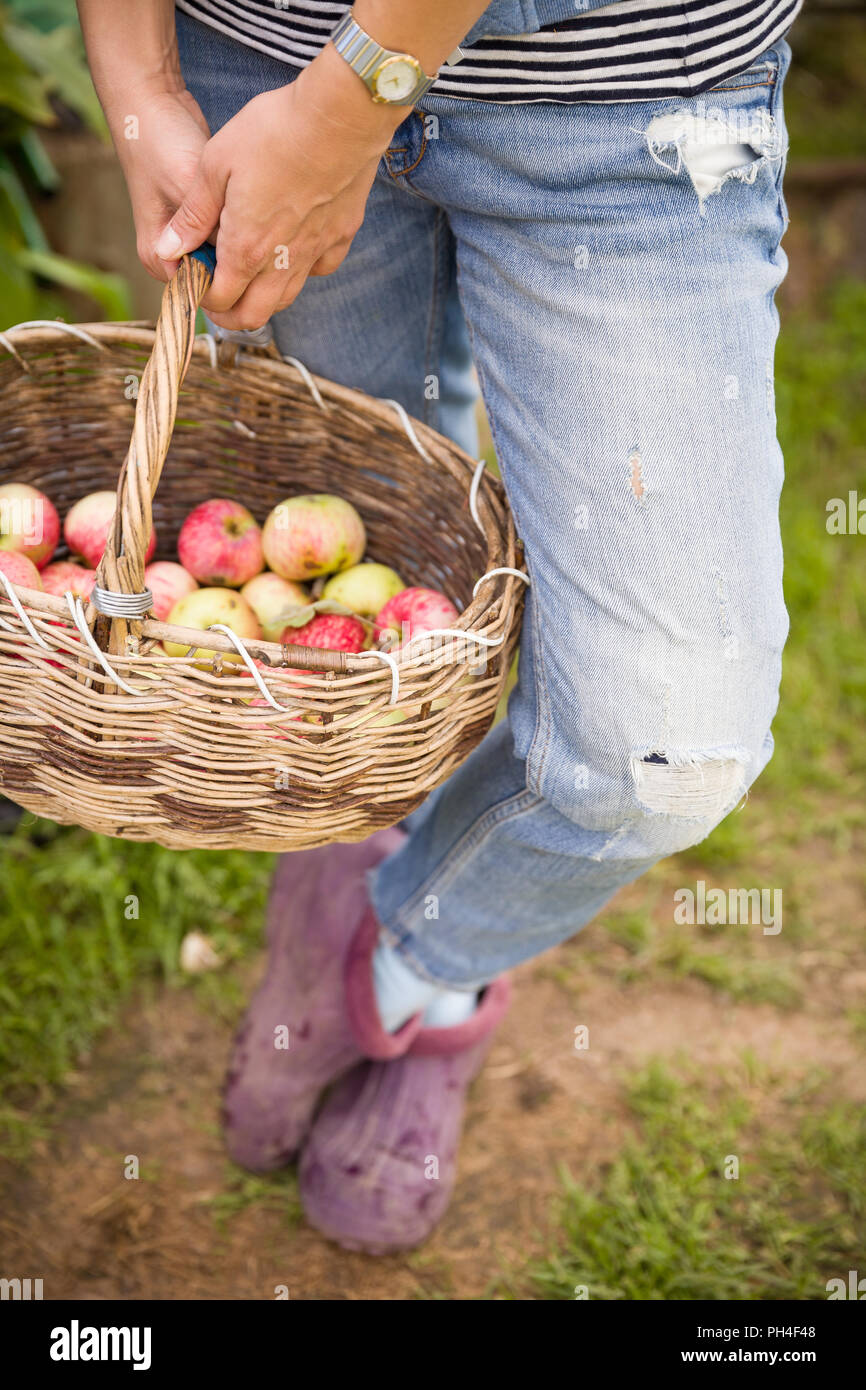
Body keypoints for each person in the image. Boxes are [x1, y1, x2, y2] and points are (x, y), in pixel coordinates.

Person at [78, 0, 800, 1253]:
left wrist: (344, 108)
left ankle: (393, 959)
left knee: (667, 747)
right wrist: (135, 67)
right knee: (370, 612)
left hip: (624, 99)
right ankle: (374, 903)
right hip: (261, 50)